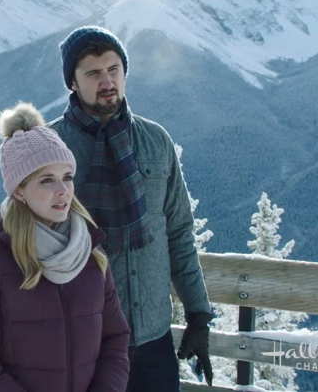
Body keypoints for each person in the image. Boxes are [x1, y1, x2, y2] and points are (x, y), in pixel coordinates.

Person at [50, 26, 214, 390]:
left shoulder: (155, 141)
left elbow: (178, 233)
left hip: (153, 337)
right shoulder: (51, 148)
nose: (106, 81)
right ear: (73, 83)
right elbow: (27, 244)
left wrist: (198, 315)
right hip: (82, 341)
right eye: (93, 73)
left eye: (114, 70)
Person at [0, 102, 130, 392]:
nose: (63, 191)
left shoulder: (91, 254)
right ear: (19, 189)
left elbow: (115, 340)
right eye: (47, 180)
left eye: (67, 177)